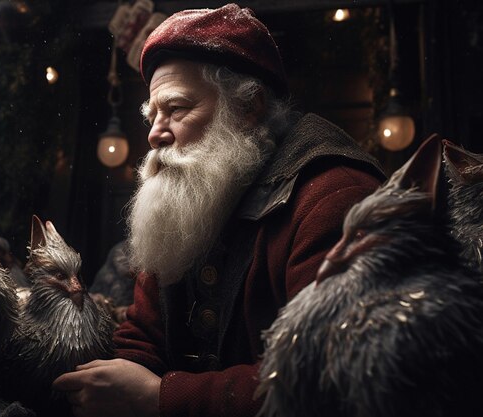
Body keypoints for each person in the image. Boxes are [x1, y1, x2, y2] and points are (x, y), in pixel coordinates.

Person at [53, 4, 385, 416]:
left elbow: (334, 377)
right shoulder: (193, 195)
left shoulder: (334, 196)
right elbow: (143, 334)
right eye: (152, 115)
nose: (155, 132)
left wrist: (160, 398)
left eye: (176, 109)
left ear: (249, 108)